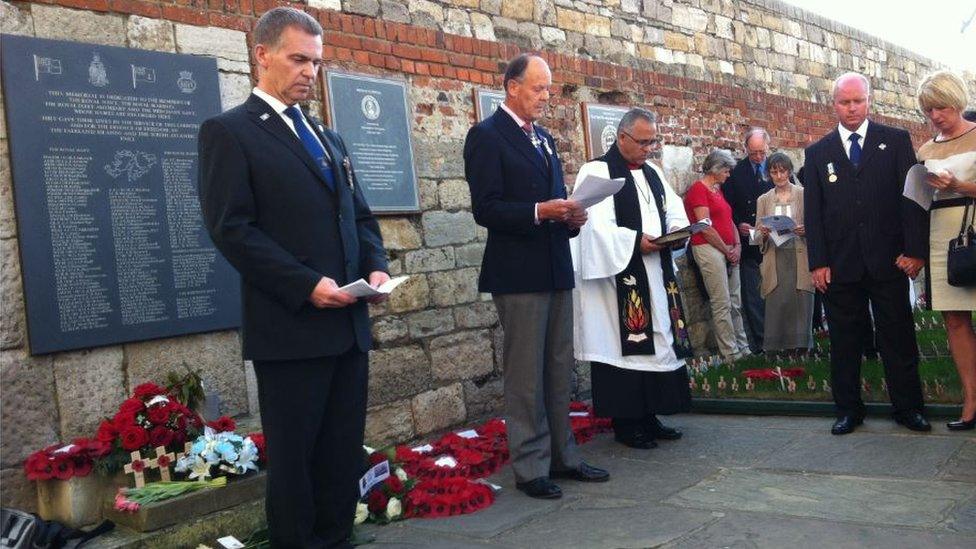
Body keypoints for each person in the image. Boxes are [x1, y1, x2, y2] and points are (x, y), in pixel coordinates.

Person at [197, 8, 389, 547]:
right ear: (262, 55)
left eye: (317, 62)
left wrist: (376, 264)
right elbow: (232, 229)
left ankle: (337, 539)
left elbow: (359, 217)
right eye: (298, 58)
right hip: (291, 329)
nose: (310, 71)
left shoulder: (328, 138)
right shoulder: (229, 132)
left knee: (339, 454)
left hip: (347, 324)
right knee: (296, 463)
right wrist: (306, 284)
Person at [463, 53, 608, 500]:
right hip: (518, 274)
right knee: (526, 374)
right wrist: (539, 211)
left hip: (554, 266)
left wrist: (570, 216)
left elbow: (554, 201)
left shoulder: (543, 139)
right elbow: (485, 209)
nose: (546, 96)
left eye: (549, 89)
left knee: (560, 368)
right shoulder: (487, 136)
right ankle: (530, 467)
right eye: (539, 88)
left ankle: (564, 456)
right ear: (511, 86)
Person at [804, 72, 930, 435]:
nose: (852, 108)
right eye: (844, 102)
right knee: (844, 340)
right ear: (834, 105)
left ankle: (908, 408)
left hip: (889, 260)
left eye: (858, 101)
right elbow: (813, 213)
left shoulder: (894, 141)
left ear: (869, 101)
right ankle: (847, 410)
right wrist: (818, 262)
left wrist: (915, 251)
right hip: (840, 265)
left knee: (898, 336)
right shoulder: (817, 153)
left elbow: (912, 200)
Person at [571, 108, 693, 450]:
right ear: (621, 138)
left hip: (656, 273)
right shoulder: (596, 171)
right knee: (625, 348)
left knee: (660, 341)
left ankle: (650, 414)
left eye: (652, 142)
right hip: (619, 280)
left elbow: (674, 209)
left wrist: (677, 233)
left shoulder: (652, 172)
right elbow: (593, 226)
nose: (648, 149)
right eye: (642, 142)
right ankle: (627, 422)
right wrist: (635, 241)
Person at [915, 71, 976, 431]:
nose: (935, 116)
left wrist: (957, 184)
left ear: (956, 101)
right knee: (954, 319)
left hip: (973, 224)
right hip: (940, 233)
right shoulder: (926, 149)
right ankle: (971, 398)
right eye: (928, 110)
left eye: (940, 107)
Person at [683, 149, 750, 362]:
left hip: (729, 247)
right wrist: (726, 249)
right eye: (727, 171)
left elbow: (728, 218)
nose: (729, 175)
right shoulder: (698, 190)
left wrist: (737, 244)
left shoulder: (717, 189)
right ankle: (730, 352)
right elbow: (704, 226)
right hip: (709, 247)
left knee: (735, 300)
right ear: (716, 169)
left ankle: (743, 346)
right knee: (721, 301)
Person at [755, 152, 814, 357]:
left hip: (799, 253)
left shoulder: (803, 194)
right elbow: (755, 235)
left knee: (800, 301)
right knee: (777, 302)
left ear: (789, 171)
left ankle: (801, 348)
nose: (779, 176)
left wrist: (805, 230)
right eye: (774, 172)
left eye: (782, 171)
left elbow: (816, 225)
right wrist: (762, 233)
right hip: (775, 255)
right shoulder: (763, 199)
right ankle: (776, 349)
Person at [722, 128, 774, 354]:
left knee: (776, 293)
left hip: (774, 242)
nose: (759, 157)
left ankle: (781, 339)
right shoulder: (736, 172)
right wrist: (739, 223)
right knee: (753, 296)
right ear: (745, 149)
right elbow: (727, 207)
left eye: (762, 152)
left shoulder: (777, 167)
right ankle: (761, 343)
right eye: (753, 153)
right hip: (749, 243)